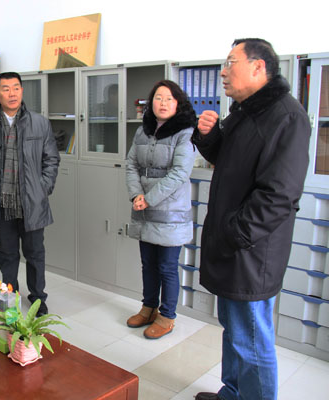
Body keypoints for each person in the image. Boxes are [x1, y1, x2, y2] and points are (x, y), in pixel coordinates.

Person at [192, 39, 310, 400]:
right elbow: (226, 158)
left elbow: (279, 195)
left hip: (252, 252)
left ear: (258, 67)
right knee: (234, 329)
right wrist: (208, 136)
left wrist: (234, 234)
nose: (223, 72)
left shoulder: (286, 116)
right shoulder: (246, 111)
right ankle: (233, 392)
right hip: (234, 246)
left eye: (231, 63)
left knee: (252, 339)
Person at [0, 72, 60, 316]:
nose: (11, 93)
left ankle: (38, 299)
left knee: (35, 255)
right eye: (6, 89)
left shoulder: (39, 123)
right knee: (7, 255)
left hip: (31, 203)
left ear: (22, 91)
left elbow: (51, 159)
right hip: (1, 203)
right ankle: (9, 298)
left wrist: (42, 189)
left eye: (15, 88)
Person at [125, 80, 196, 339]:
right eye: (158, 98)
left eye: (169, 98)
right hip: (144, 209)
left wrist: (149, 198)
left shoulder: (185, 132)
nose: (163, 103)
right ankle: (148, 308)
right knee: (148, 264)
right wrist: (136, 194)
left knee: (167, 267)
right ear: (151, 102)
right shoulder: (142, 131)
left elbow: (179, 173)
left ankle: (167, 316)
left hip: (170, 212)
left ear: (178, 103)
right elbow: (131, 165)